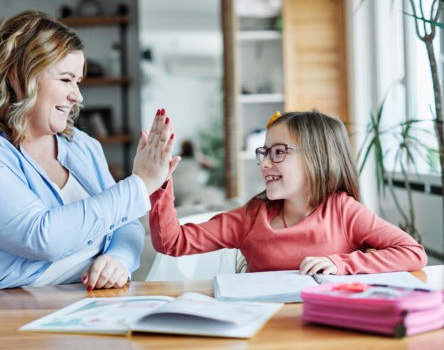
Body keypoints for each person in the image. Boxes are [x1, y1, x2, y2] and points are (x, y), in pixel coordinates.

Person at [0, 10, 177, 290]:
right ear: (17, 77)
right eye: (65, 79)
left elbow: (126, 225)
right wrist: (140, 184)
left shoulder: (83, 147)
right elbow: (41, 237)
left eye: (77, 81)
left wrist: (117, 259)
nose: (78, 96)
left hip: (72, 307)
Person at [149, 110, 427, 275]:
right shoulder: (250, 218)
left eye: (279, 152)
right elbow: (172, 242)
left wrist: (339, 263)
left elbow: (413, 253)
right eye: (265, 152)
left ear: (318, 158)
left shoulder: (343, 211)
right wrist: (161, 183)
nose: (265, 163)